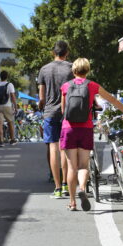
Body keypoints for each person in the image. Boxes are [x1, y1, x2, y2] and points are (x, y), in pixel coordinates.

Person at [61, 58, 123, 211]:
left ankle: (72, 202)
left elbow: (63, 110)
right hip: (85, 128)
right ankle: (82, 188)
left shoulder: (66, 86)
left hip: (68, 129)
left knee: (71, 167)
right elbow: (111, 99)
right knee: (83, 165)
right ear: (87, 70)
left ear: (73, 71)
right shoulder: (92, 86)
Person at [38, 40, 74, 198]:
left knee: (53, 147)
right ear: (66, 52)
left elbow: (41, 97)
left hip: (50, 112)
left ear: (54, 52)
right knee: (65, 148)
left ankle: (57, 188)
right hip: (68, 112)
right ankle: (66, 185)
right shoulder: (71, 68)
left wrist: (42, 107)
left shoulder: (44, 69)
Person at [0, 71, 18, 147]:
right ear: (7, 76)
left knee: (0, 123)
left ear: (0, 76)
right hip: (7, 106)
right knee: (10, 123)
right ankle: (12, 140)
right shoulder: (9, 85)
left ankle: (1, 141)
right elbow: (12, 96)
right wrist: (15, 107)